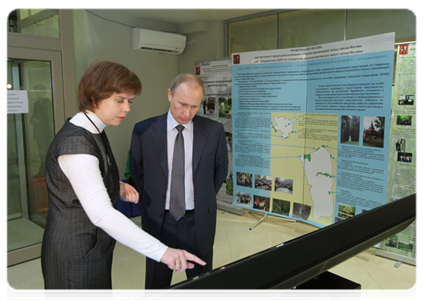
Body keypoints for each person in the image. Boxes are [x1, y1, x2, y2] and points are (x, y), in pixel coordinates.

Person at [41, 61, 205, 300]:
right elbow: (102, 214)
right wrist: (163, 252)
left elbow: (80, 181)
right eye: (120, 100)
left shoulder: (94, 130)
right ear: (94, 96)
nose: (127, 108)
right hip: (74, 254)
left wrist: (115, 186)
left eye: (130, 101)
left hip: (92, 249)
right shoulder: (76, 143)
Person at [130, 74, 228, 295]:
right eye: (182, 104)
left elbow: (220, 171)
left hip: (198, 221)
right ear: (169, 95)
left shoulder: (213, 131)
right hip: (159, 220)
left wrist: (200, 198)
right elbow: (138, 172)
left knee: (202, 285)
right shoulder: (143, 131)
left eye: (194, 106)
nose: (187, 113)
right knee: (157, 286)